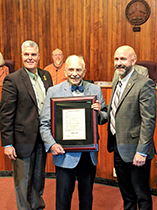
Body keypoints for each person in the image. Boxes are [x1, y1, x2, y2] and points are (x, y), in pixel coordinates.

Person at [40, 55, 107, 210]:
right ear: (65, 71)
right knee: (63, 200)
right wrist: (52, 144)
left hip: (88, 154)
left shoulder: (95, 90)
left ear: (84, 72)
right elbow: (44, 123)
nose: (74, 73)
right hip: (64, 154)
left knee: (86, 198)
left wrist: (99, 112)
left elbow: (104, 117)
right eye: (71, 69)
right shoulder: (53, 91)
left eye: (78, 69)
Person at [0, 40, 53, 210]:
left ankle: (37, 207)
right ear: (21, 56)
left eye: (33, 54)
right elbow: (6, 114)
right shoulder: (12, 79)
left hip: (42, 138)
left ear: (38, 56)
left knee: (38, 179)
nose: (30, 58)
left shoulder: (46, 76)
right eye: (26, 54)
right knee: (23, 183)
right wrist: (7, 144)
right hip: (22, 140)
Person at [107, 45, 156, 210]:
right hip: (118, 147)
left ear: (133, 61)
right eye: (116, 59)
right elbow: (114, 110)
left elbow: (148, 120)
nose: (119, 63)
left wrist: (142, 151)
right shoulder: (117, 81)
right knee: (126, 195)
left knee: (141, 195)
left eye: (123, 59)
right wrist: (99, 112)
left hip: (136, 151)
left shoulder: (144, 84)